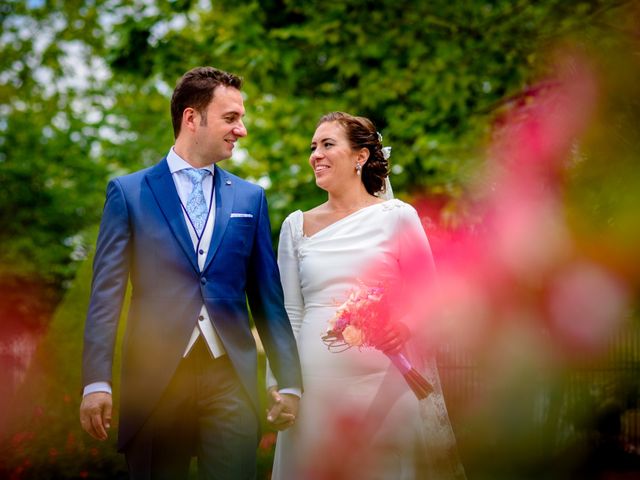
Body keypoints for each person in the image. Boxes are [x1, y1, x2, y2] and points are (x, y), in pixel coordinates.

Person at [79, 66, 302, 480]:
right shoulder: (128, 193)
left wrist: (289, 381)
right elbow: (105, 297)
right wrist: (96, 382)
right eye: (231, 118)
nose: (242, 130)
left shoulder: (250, 198)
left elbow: (268, 298)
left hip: (230, 380)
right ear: (192, 118)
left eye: (242, 118)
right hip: (156, 382)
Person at [269, 112, 465, 479]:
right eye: (313, 147)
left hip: (383, 384)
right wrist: (282, 385)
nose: (316, 155)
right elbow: (290, 315)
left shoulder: (398, 217)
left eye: (328, 144)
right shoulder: (296, 227)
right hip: (315, 385)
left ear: (360, 156)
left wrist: (404, 328)